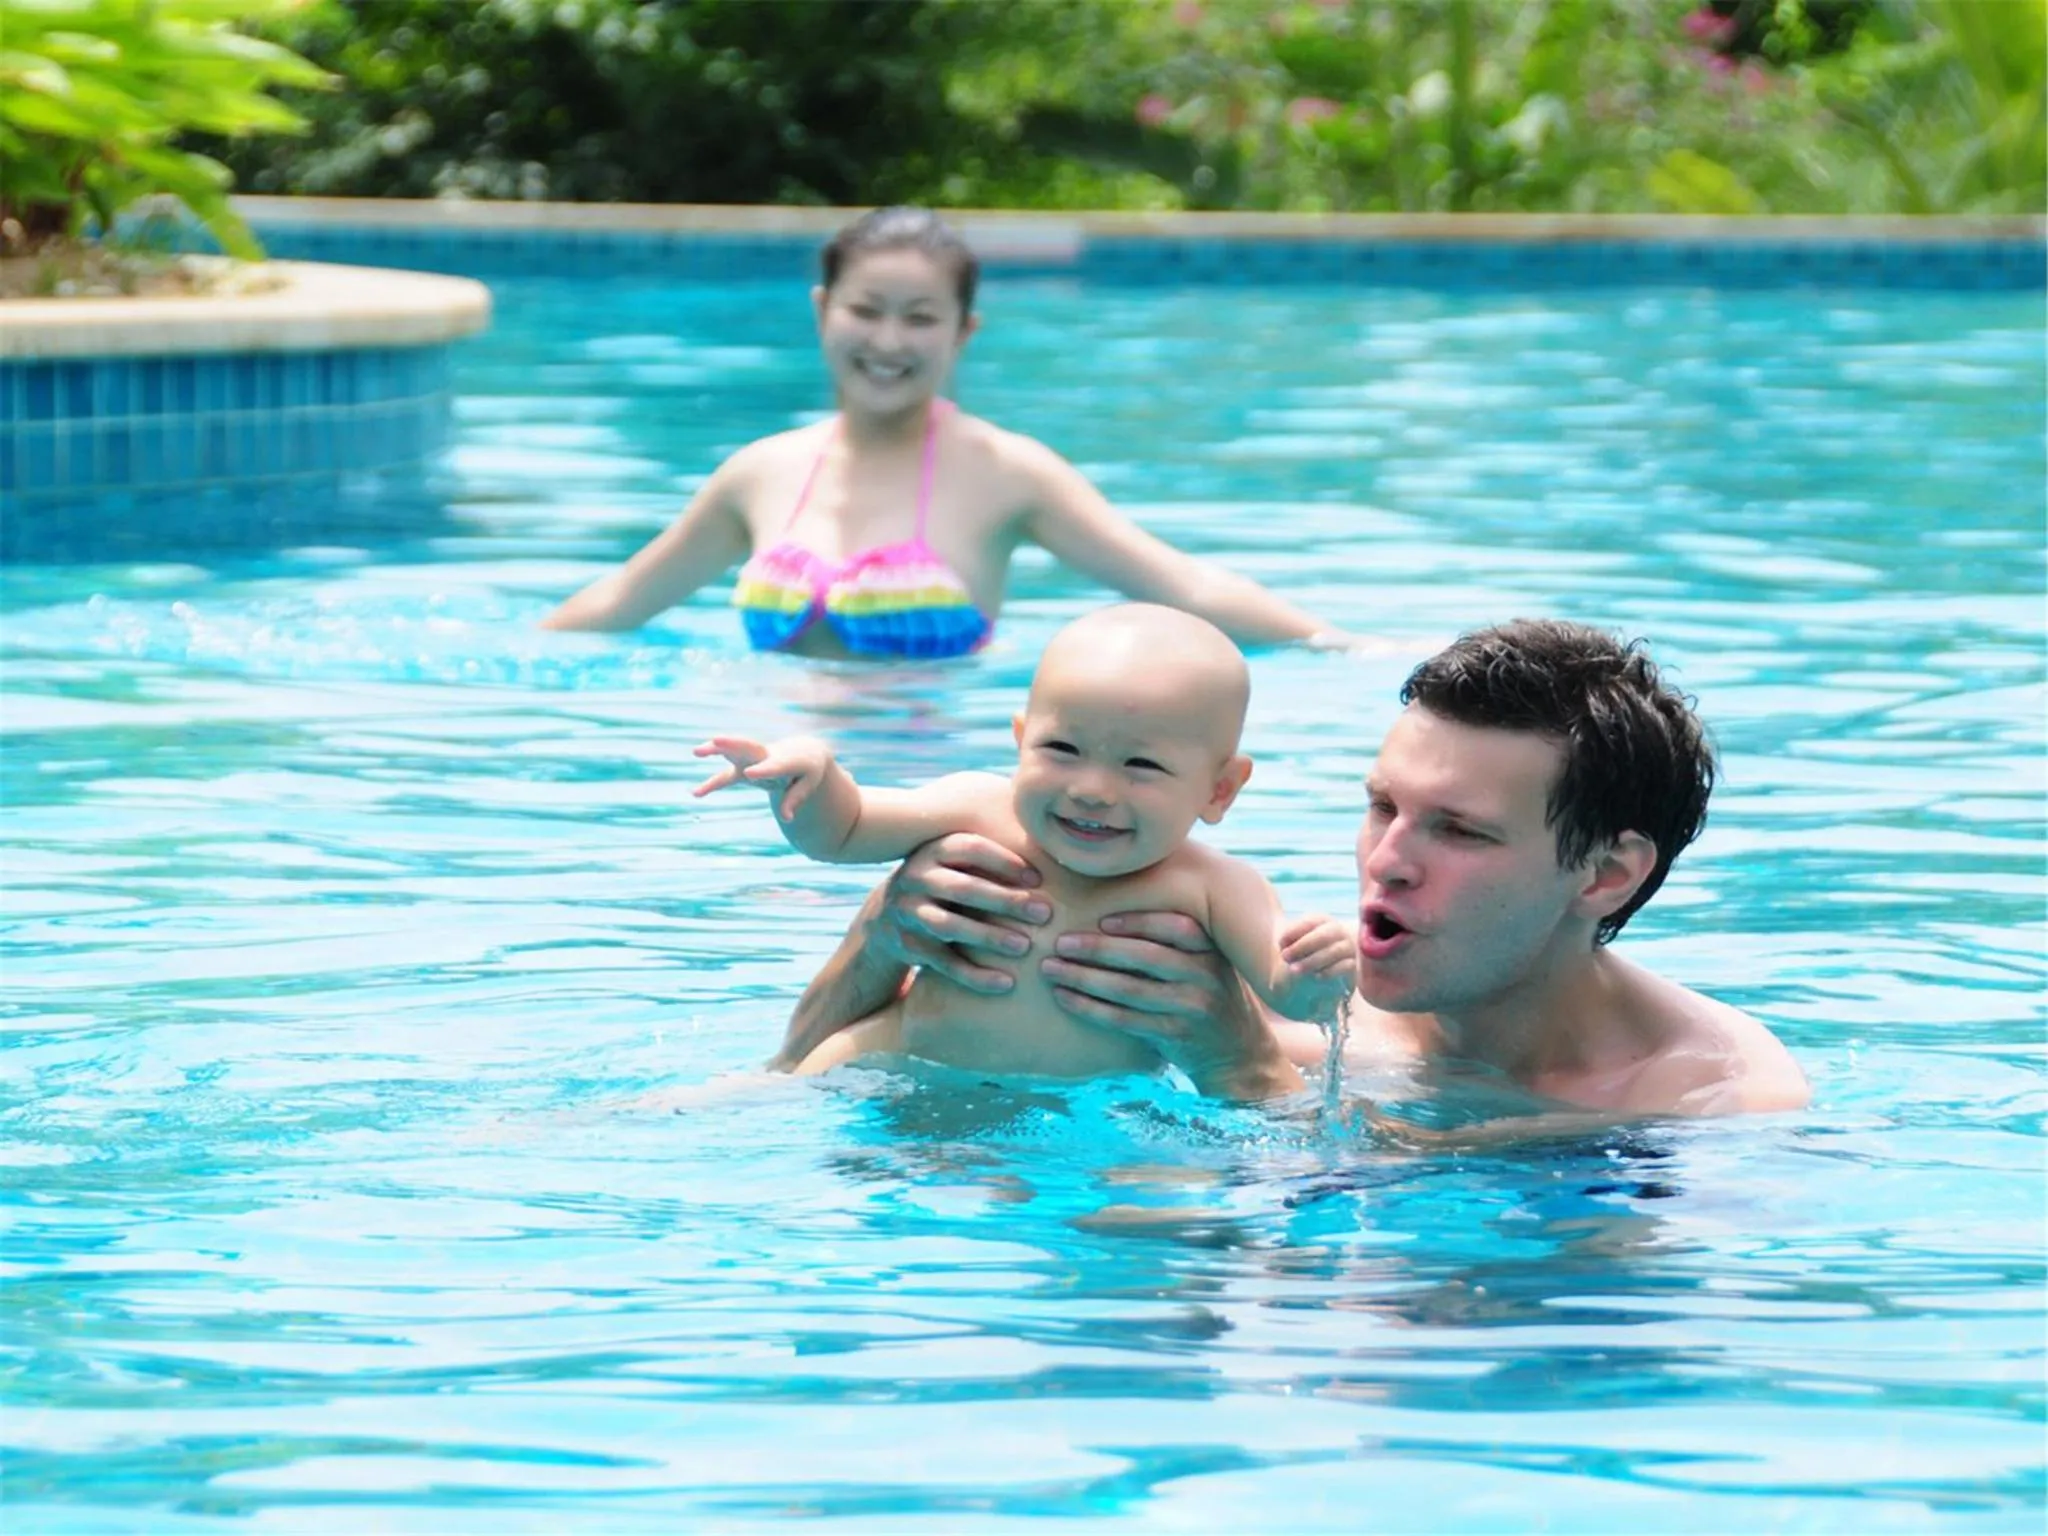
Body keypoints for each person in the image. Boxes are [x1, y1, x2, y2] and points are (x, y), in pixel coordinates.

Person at [777, 618, 1810, 1118]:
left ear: (1603, 875)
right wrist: (876, 948)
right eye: (1380, 807)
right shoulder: (1290, 971)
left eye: (1459, 831)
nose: (1385, 864)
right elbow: (798, 1084)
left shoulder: (1701, 1106)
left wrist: (1235, 1064)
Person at [541, 205, 1350, 656]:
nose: (888, 343)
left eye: (920, 319)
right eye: (865, 311)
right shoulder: (760, 473)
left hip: (925, 795)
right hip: (772, 786)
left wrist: (1335, 646)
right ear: (824, 313)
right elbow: (621, 599)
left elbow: (1179, 585)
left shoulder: (1006, 472)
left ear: (963, 332)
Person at [692, 604, 1356, 1078]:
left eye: (1141, 766)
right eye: (1061, 749)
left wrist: (1317, 967)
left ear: (1219, 791)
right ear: (1019, 740)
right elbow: (845, 831)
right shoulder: (979, 810)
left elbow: (1286, 994)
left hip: (1086, 1124)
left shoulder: (1209, 885)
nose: (1092, 789)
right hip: (893, 1062)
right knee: (776, 1091)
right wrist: (813, 775)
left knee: (1157, 1205)